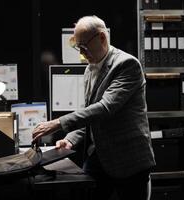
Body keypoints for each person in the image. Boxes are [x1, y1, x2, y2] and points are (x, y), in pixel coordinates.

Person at [33, 15, 156, 200]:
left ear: (102, 38)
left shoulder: (127, 65)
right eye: (78, 47)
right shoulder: (90, 69)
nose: (81, 53)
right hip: (100, 156)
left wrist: (58, 123)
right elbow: (90, 113)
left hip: (129, 160)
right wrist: (71, 139)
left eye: (84, 46)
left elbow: (105, 108)